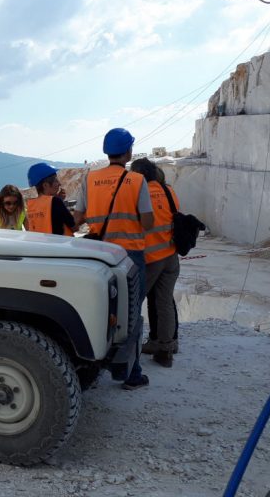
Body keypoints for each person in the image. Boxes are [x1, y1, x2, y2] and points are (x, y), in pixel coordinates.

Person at [74, 128, 154, 390]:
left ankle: (91, 369)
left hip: (99, 254)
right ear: (128, 152)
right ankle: (131, 374)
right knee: (131, 314)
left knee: (101, 310)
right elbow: (148, 221)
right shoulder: (137, 181)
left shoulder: (90, 178)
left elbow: (79, 217)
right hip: (129, 255)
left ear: (107, 151)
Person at [131, 158, 180, 367]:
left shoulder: (139, 194)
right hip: (170, 255)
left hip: (150, 258)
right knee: (164, 302)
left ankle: (128, 352)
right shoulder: (168, 190)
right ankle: (165, 350)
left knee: (132, 304)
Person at [26, 163, 75, 236]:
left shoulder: (31, 205)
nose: (59, 184)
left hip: (40, 246)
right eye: (56, 181)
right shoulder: (55, 202)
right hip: (58, 245)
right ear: (45, 185)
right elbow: (74, 227)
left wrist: (58, 200)